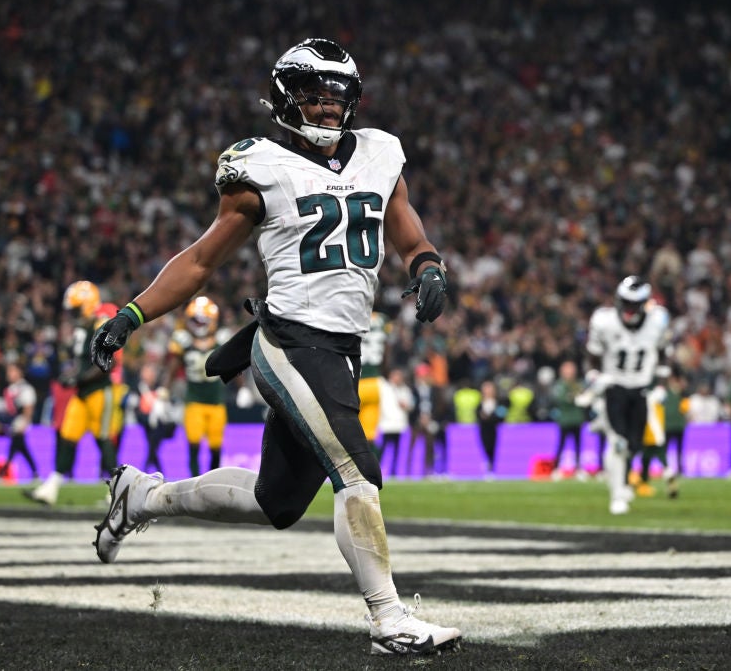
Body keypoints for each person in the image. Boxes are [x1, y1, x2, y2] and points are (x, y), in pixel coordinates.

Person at [88, 38, 462, 655]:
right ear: (287, 101)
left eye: (337, 101)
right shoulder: (259, 165)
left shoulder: (379, 152)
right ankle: (388, 620)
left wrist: (426, 266)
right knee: (355, 471)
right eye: (314, 101)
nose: (328, 113)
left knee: (277, 501)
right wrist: (131, 314)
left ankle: (142, 496)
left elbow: (406, 227)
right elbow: (203, 261)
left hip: (342, 347)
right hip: (288, 340)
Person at [27, 285, 126, 505]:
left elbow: (109, 361)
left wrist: (78, 378)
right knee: (68, 436)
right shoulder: (84, 326)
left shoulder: (101, 322)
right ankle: (51, 488)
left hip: (101, 390)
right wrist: (70, 375)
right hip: (82, 392)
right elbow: (82, 362)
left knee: (104, 440)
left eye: (75, 308)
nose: (72, 313)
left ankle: (117, 492)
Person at [584, 276, 671, 515]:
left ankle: (620, 480)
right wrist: (594, 375)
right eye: (625, 302)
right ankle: (617, 494)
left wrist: (660, 385)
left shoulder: (657, 321)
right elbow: (593, 353)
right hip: (615, 386)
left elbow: (663, 353)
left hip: (641, 388)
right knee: (618, 443)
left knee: (634, 445)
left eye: (634, 304)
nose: (629, 309)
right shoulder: (605, 321)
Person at [165, 296, 232, 476]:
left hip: (216, 400)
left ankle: (212, 482)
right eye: (195, 319)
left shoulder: (221, 338)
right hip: (194, 400)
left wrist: (242, 388)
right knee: (193, 444)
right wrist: (163, 391)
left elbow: (233, 364)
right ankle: (194, 482)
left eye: (201, 319)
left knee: (215, 447)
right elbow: (173, 367)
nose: (198, 323)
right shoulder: (183, 340)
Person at [0, 360, 39, 482]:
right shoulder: (9, 389)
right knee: (21, 448)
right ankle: (35, 472)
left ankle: (2, 473)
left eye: (12, 371)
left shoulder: (25, 388)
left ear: (19, 372)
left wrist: (24, 423)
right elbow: (7, 410)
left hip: (19, 423)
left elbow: (28, 408)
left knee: (15, 447)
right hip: (11, 422)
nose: (9, 374)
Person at [132, 363, 176, 475]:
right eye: (147, 373)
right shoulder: (138, 388)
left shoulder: (160, 388)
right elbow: (135, 406)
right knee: (153, 448)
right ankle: (158, 472)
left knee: (152, 447)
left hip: (160, 424)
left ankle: (146, 471)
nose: (149, 375)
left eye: (151, 373)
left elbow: (170, 406)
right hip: (146, 423)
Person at [550, 360, 588, 480]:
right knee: (560, 445)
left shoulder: (578, 383)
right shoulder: (560, 385)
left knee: (578, 445)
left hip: (577, 419)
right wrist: (574, 397)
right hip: (565, 420)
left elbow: (584, 398)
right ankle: (556, 468)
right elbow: (562, 399)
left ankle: (578, 468)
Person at [357, 311, 390, 446]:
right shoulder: (383, 319)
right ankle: (372, 466)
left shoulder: (354, 313)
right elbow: (387, 351)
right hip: (375, 383)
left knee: (349, 432)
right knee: (369, 435)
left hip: (355, 382)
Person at [376, 368, 413, 477]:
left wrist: (406, 406)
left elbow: (410, 406)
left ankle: (394, 472)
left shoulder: (405, 390)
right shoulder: (385, 388)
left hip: (399, 425)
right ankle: (377, 471)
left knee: (397, 451)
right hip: (386, 425)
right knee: (382, 450)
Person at [476, 380, 506, 479]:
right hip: (484, 429)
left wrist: (490, 418)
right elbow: (477, 414)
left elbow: (502, 415)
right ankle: (487, 467)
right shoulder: (479, 404)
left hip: (495, 429)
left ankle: (494, 468)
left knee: (495, 448)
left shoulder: (499, 403)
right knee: (485, 447)